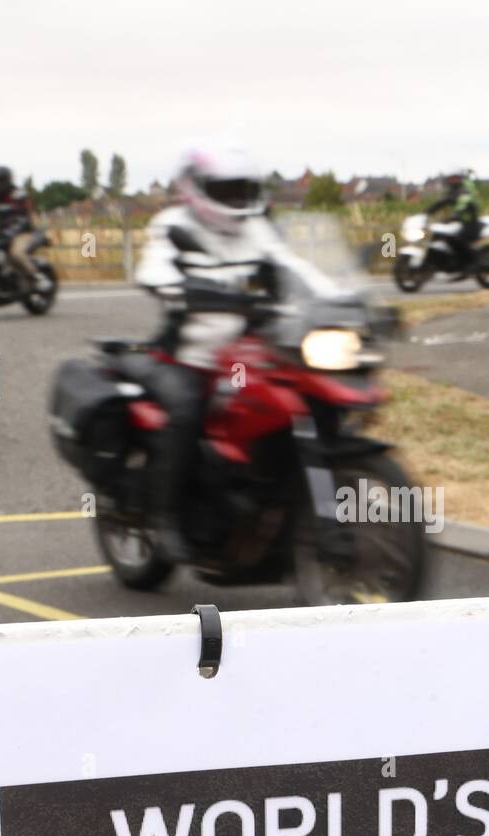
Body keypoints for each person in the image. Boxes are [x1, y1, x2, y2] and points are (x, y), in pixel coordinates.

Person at [133, 142, 336, 560]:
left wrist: (338, 297)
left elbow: (292, 265)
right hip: (189, 360)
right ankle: (165, 519)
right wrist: (179, 287)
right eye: (226, 190)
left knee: (302, 397)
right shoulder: (171, 223)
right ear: (197, 188)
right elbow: (152, 268)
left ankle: (278, 497)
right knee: (187, 411)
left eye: (242, 188)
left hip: (249, 355)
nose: (236, 199)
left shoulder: (256, 228)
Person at [0, 166, 47, 292]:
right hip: (0, 232)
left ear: (6, 180)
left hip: (23, 233)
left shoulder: (19, 195)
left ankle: (37, 278)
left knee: (16, 253)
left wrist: (10, 232)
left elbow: (24, 217)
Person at [426, 168, 481, 277]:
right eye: (450, 179)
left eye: (454, 178)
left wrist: (455, 215)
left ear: (459, 179)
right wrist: (427, 212)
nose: (452, 181)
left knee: (456, 239)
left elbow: (465, 202)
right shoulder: (453, 191)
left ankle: (471, 264)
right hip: (459, 221)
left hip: (470, 222)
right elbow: (443, 202)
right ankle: (442, 263)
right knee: (439, 234)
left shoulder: (465, 189)